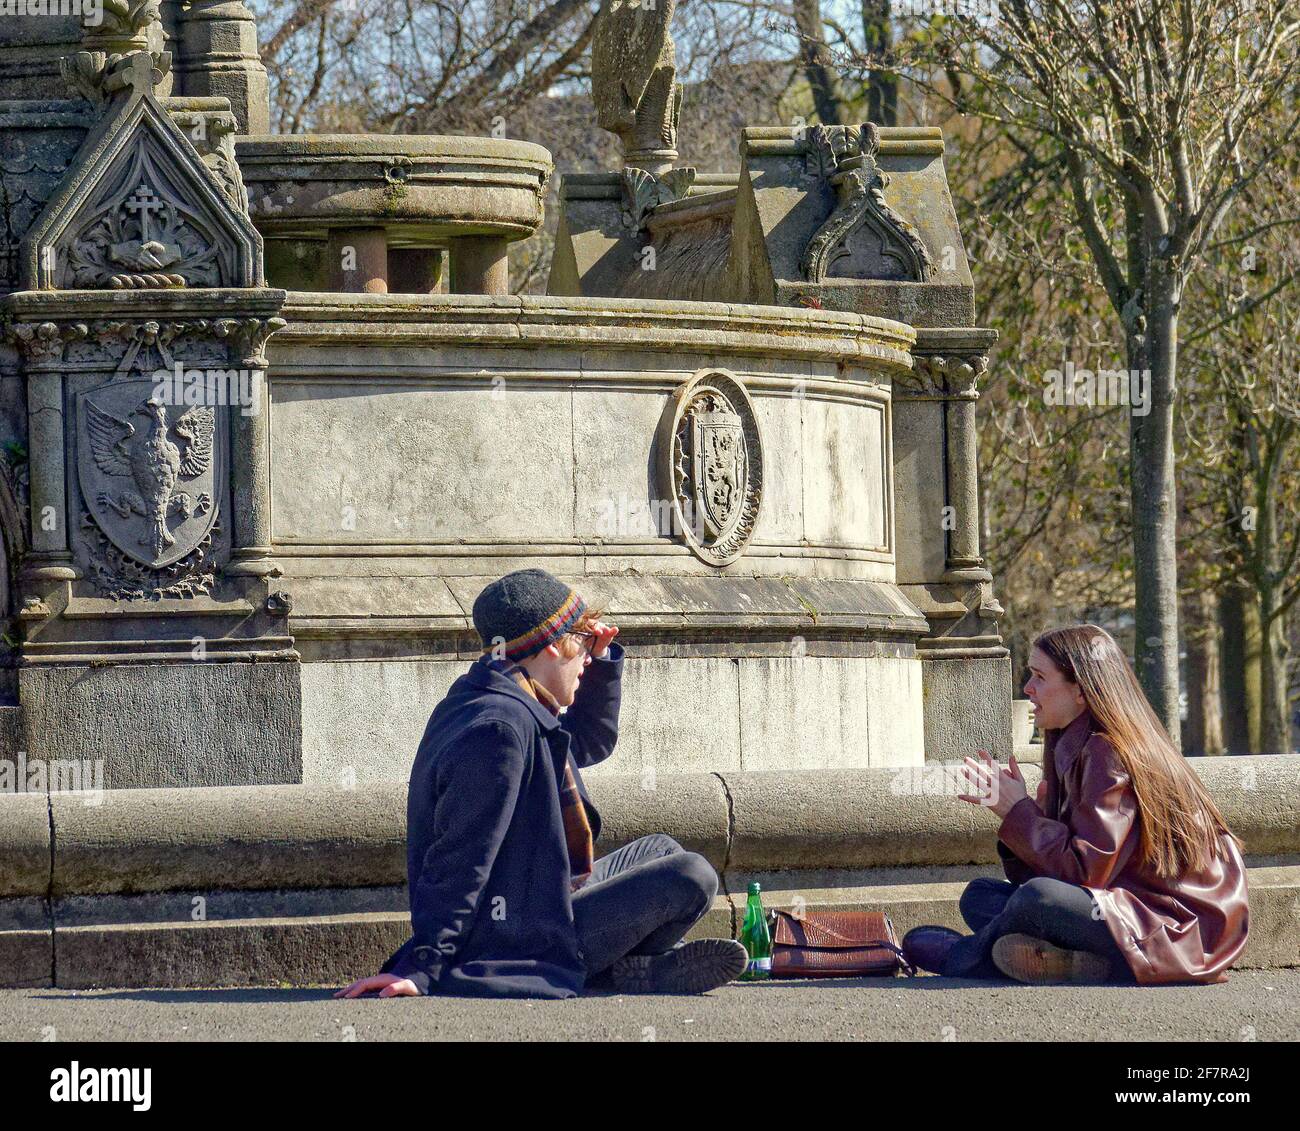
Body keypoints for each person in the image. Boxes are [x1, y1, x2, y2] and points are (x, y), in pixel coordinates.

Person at [336, 568, 746, 999]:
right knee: (692, 875)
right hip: (512, 937)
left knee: (661, 849)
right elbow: (462, 856)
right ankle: (616, 970)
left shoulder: (504, 696)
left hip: (539, 900)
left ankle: (624, 968)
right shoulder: (498, 731)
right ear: (551, 646)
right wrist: (422, 966)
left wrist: (601, 665)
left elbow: (586, 744)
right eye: (582, 643)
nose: (587, 656)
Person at [902, 623, 1249, 985]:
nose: (1028, 689)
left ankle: (967, 958)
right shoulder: (1075, 741)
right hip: (1129, 908)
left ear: (1081, 692)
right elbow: (1062, 874)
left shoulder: (1108, 751)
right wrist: (1030, 817)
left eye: (1039, 677)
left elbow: (1084, 874)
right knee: (981, 896)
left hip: (1179, 929)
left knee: (1036, 900)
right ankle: (1084, 963)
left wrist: (1017, 813)